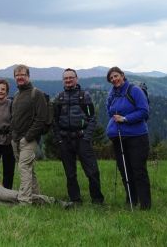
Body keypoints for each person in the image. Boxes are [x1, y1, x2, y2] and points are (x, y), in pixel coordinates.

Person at [53, 68, 104, 205]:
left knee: (92, 171)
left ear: (76, 79)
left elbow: (92, 118)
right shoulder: (59, 97)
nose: (68, 80)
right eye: (66, 78)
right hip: (65, 139)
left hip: (82, 139)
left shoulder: (84, 96)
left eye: (71, 77)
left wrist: (87, 138)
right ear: (63, 80)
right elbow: (54, 121)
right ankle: (75, 200)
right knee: (70, 173)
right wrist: (59, 139)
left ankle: (97, 200)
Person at [106, 66, 151, 210]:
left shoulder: (134, 91)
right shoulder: (112, 93)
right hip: (119, 137)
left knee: (138, 170)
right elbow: (109, 111)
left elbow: (144, 111)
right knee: (124, 170)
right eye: (111, 78)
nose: (114, 79)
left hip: (137, 137)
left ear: (122, 75)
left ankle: (145, 205)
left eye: (116, 76)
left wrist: (125, 119)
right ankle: (131, 200)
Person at [10, 64, 48, 204]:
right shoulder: (17, 95)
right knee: (29, 170)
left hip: (28, 139)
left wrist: (27, 138)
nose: (20, 77)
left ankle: (25, 201)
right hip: (15, 139)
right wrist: (13, 137)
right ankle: (37, 198)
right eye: (17, 75)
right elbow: (14, 118)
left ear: (28, 76)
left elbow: (41, 119)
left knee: (24, 168)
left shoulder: (36, 94)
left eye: (23, 75)